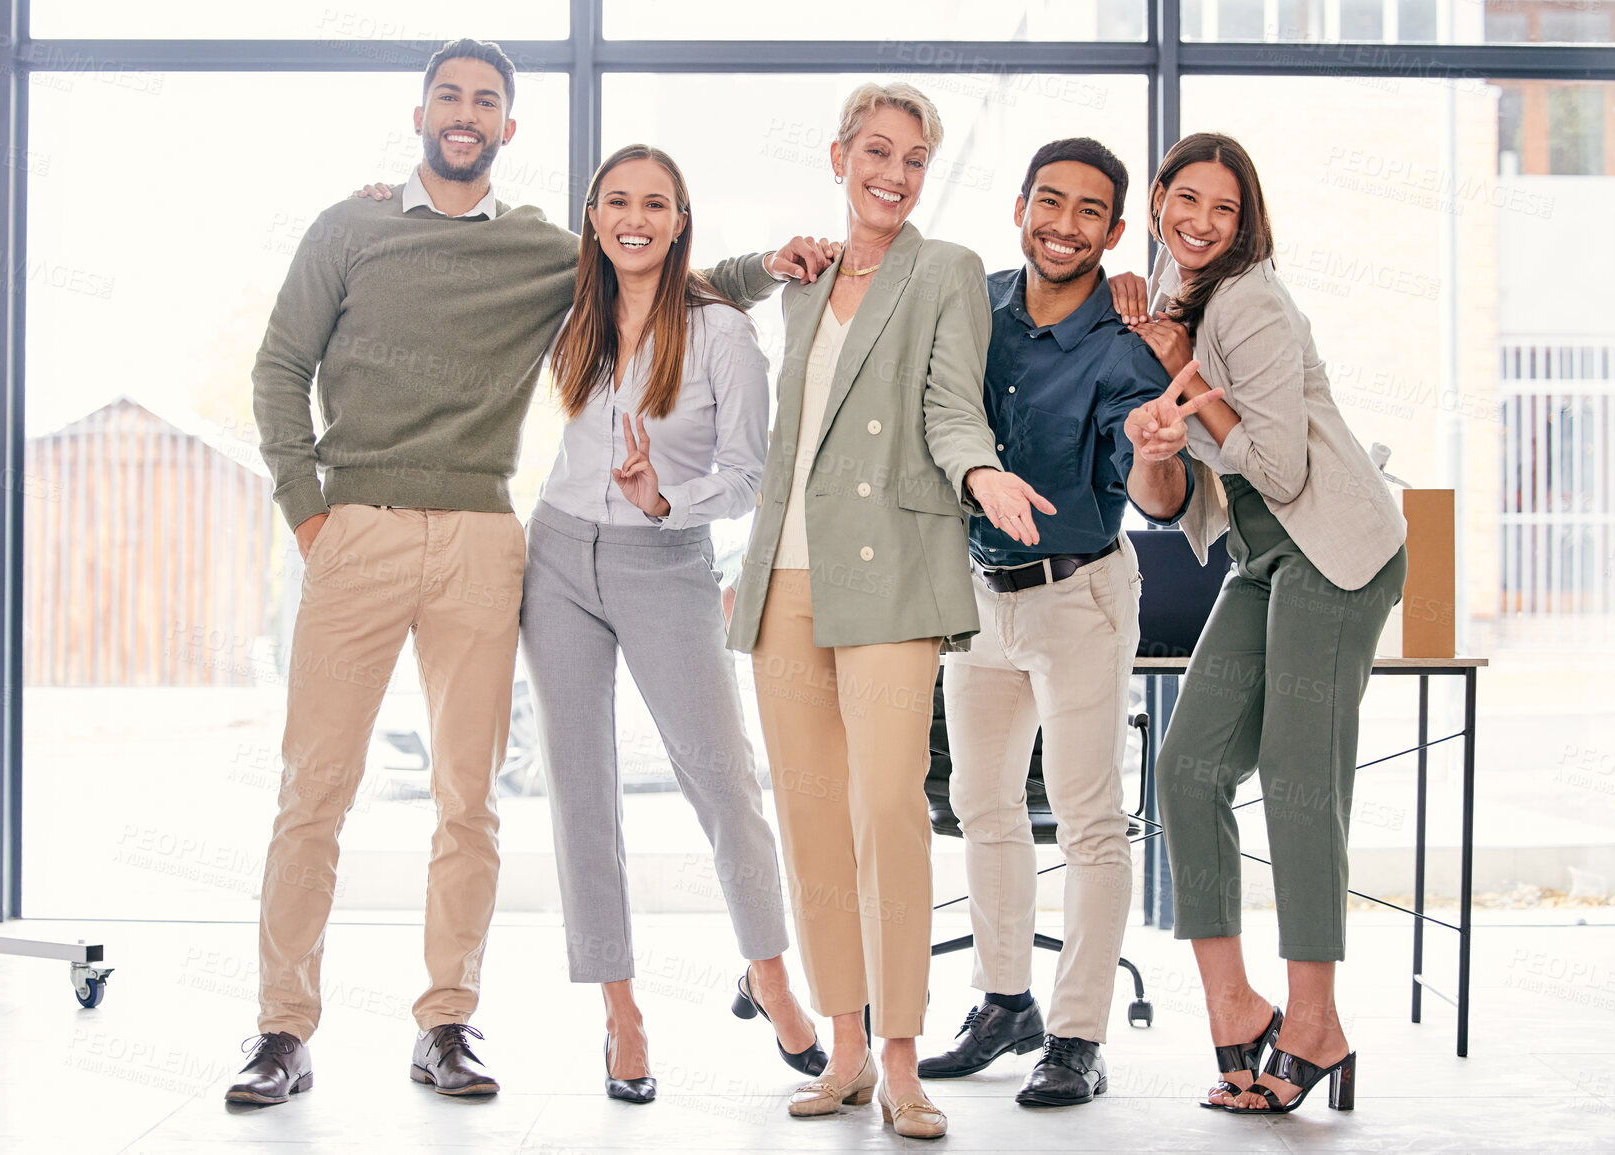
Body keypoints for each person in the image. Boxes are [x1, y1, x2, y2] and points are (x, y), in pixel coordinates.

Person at [232, 38, 828, 1108]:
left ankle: (447, 1022)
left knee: (472, 799)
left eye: (487, 102)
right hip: (360, 531)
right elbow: (281, 367)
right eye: (449, 96)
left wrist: (766, 269)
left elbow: (660, 275)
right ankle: (283, 1028)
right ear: (420, 112)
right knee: (314, 791)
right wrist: (310, 514)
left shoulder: (542, 250)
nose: (466, 114)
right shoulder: (349, 226)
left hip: (482, 537)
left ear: (509, 130)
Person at [726, 82, 1053, 1142]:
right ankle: (848, 1051)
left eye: (915, 159)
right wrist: (766, 261)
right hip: (786, 582)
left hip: (894, 573)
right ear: (839, 156)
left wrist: (980, 475)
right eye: (878, 151)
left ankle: (905, 1062)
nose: (896, 173)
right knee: (813, 820)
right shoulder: (803, 282)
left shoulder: (946, 271)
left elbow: (951, 404)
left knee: (888, 812)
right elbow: (676, 289)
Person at [518, 143, 822, 1104]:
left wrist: (660, 498)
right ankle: (621, 1012)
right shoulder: (572, 313)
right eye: (616, 201)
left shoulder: (722, 332)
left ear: (680, 218)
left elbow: (749, 476)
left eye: (655, 203)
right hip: (558, 555)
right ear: (595, 216)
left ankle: (767, 970)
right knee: (578, 787)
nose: (633, 218)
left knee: (721, 778)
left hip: (664, 560)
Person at [1113, 131, 1407, 1114]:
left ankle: (1316, 1023)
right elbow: (1167, 499)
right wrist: (1159, 412)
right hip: (1261, 554)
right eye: (1184, 199)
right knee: (1187, 767)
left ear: (1247, 226)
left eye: (1223, 210)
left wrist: (1186, 371)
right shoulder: (1175, 294)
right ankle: (1236, 1009)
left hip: (1334, 548)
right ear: (1159, 199)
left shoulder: (1251, 301)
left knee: (1295, 773)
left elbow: (1279, 470)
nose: (1199, 221)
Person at [917, 138, 1212, 1108]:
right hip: (978, 596)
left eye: (1091, 211)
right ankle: (1006, 1003)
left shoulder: (1123, 345)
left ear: (1116, 232)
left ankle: (1078, 1034)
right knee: (984, 804)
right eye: (1051, 202)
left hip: (1079, 596)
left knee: (1089, 822)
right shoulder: (978, 305)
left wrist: (1156, 445)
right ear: (1020, 206)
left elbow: (1160, 495)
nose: (1066, 224)